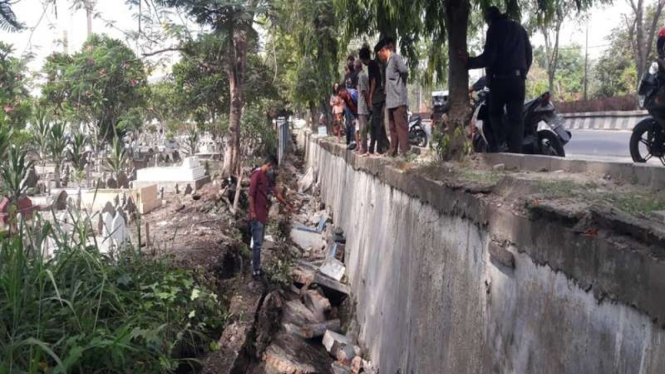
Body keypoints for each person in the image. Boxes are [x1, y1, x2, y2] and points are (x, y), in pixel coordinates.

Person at [461, 6, 532, 153]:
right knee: (516, 119)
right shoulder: (519, 28)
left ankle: (502, 140)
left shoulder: (494, 29)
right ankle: (516, 153)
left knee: (494, 112)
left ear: (490, 18)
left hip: (500, 81)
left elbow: (489, 58)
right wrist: (522, 74)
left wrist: (469, 62)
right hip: (518, 81)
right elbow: (529, 55)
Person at [248, 156, 293, 280]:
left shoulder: (267, 177)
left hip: (262, 215)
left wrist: (286, 204)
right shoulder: (256, 175)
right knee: (257, 244)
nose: (271, 170)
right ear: (267, 164)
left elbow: (276, 193)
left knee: (260, 242)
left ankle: (258, 266)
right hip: (256, 214)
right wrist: (252, 212)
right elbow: (251, 195)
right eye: (271, 167)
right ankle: (255, 270)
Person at [377, 38, 410, 157]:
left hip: (398, 99)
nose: (379, 57)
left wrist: (401, 86)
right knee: (392, 127)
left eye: (379, 54)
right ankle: (393, 151)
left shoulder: (395, 58)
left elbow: (405, 71)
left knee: (401, 126)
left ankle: (406, 152)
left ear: (383, 50)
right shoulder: (387, 63)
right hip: (390, 101)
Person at [362, 42, 388, 155]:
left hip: (377, 96)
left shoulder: (372, 65)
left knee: (376, 123)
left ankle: (378, 149)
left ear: (363, 59)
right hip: (377, 95)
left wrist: (370, 97)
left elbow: (373, 82)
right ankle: (372, 148)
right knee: (373, 123)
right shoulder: (374, 64)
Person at [355, 59, 370, 155]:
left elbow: (365, 92)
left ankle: (364, 148)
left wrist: (368, 103)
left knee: (363, 128)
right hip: (360, 105)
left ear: (358, 67)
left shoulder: (362, 76)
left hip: (363, 105)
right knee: (361, 128)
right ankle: (363, 147)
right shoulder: (360, 76)